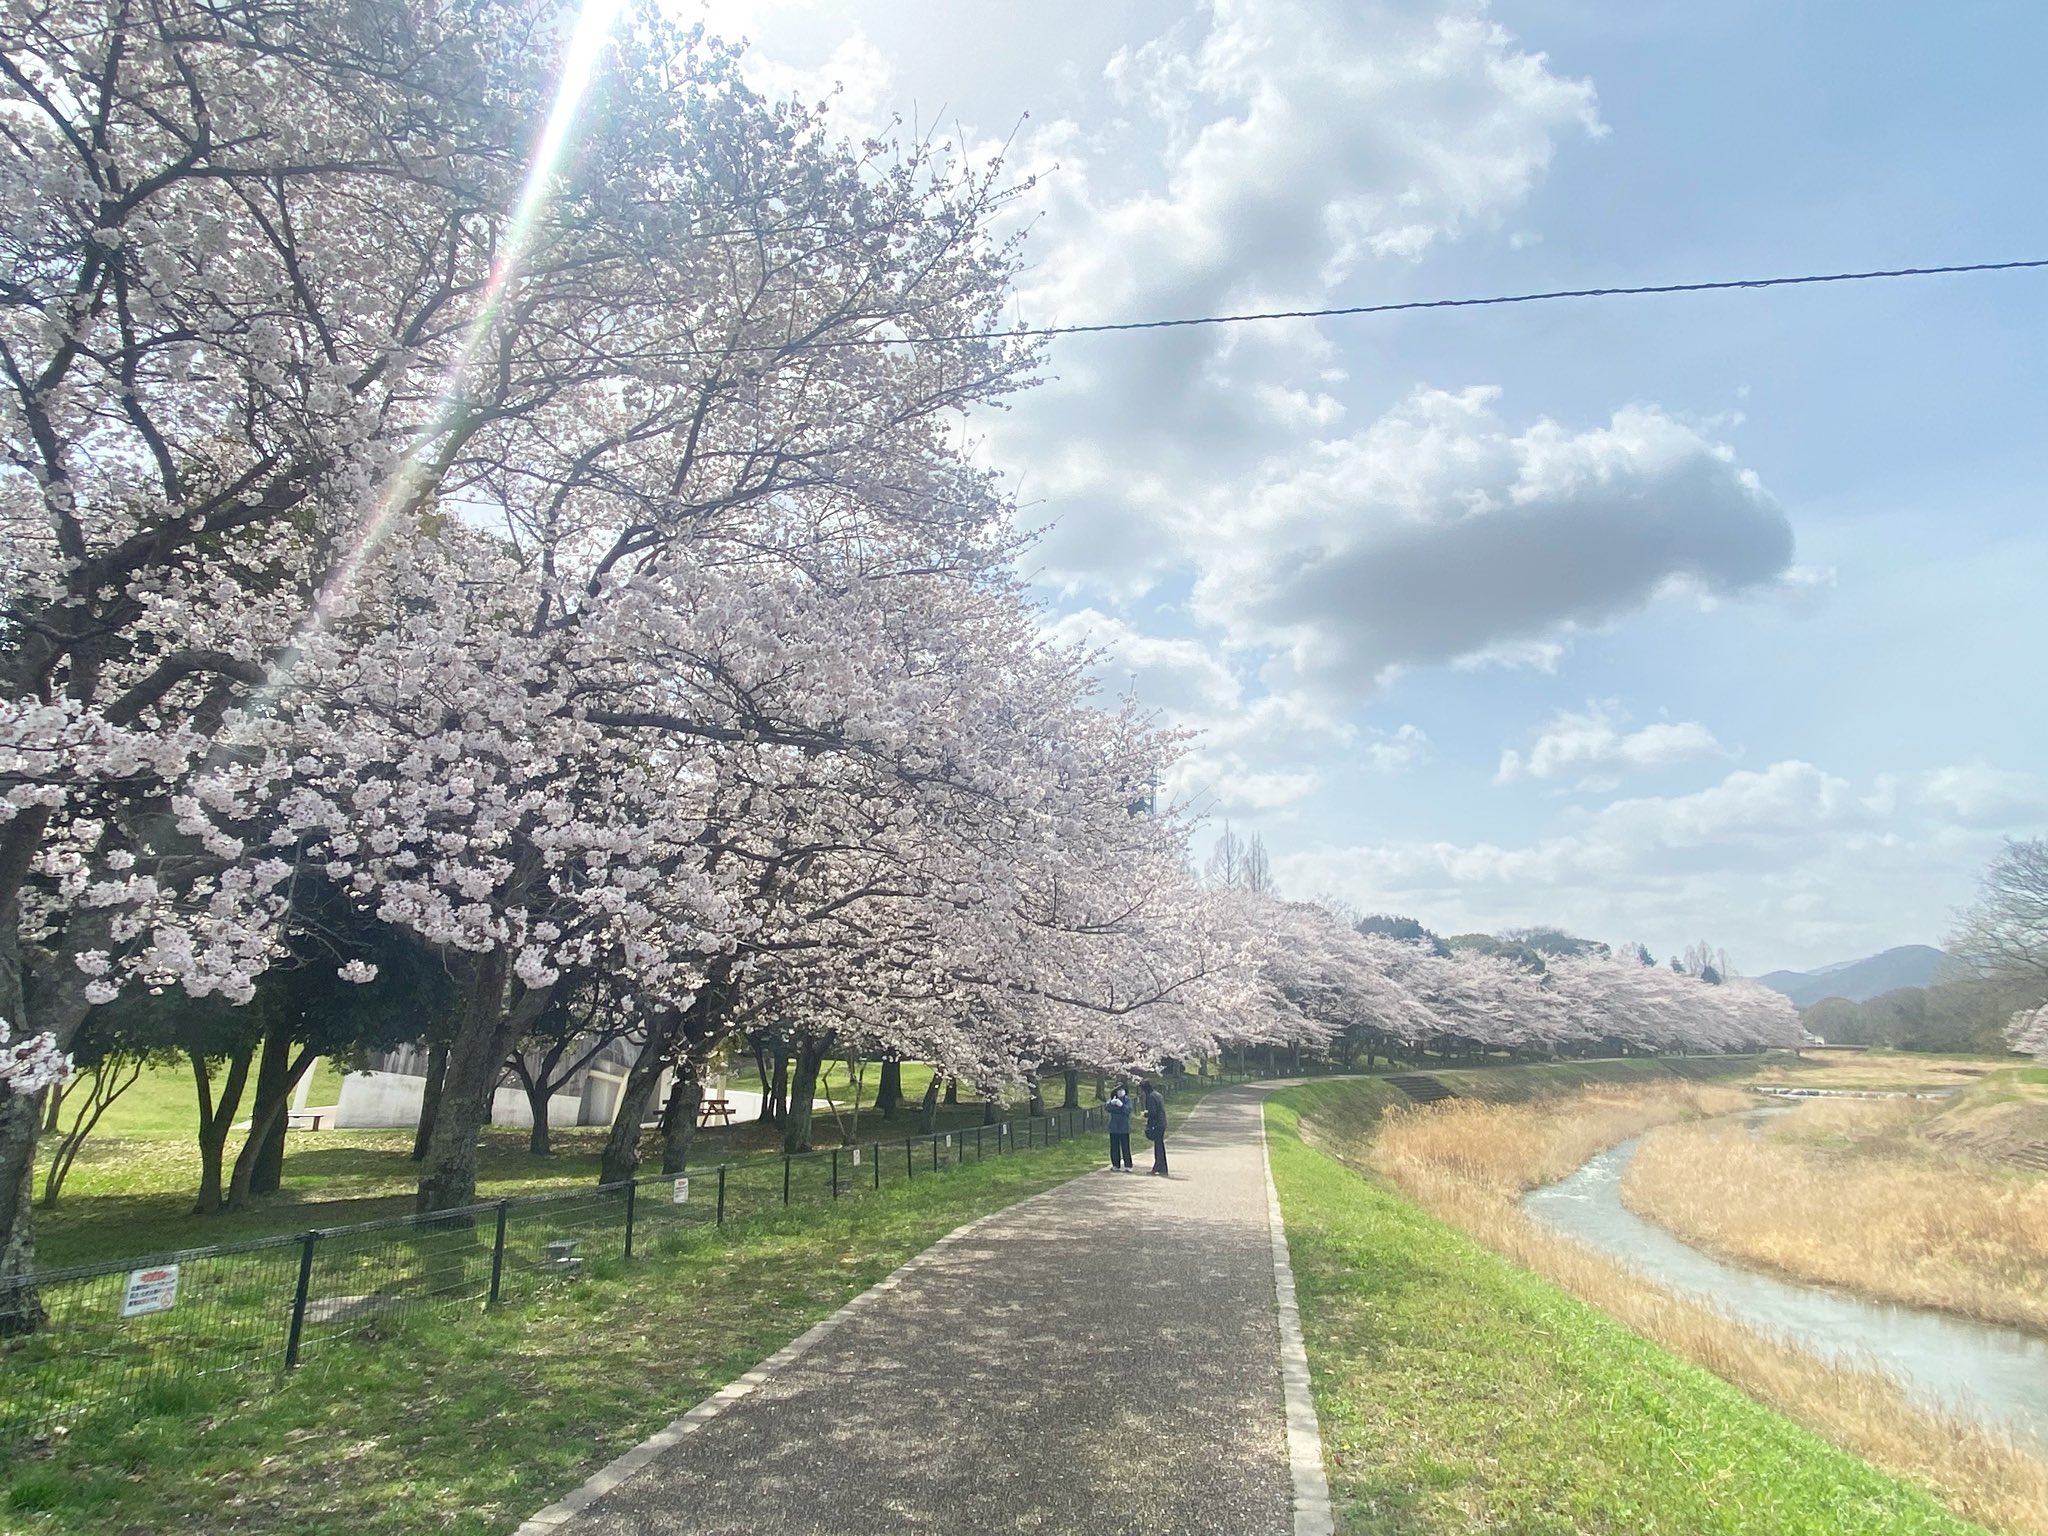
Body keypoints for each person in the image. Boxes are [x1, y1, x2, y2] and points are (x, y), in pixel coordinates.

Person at [1141, 1078, 1168, 1177]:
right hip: (1162, 1122)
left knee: (1158, 1147)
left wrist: (1145, 1114)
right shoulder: (1157, 1095)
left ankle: (1157, 1167)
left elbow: (1152, 1112)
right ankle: (1163, 1168)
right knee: (1160, 1145)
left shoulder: (1151, 1097)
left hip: (1157, 1124)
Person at [1104, 1084, 1134, 1171]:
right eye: (1119, 1090)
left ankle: (1128, 1165)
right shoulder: (1113, 1099)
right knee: (1114, 1147)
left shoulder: (1127, 1100)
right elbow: (1107, 1108)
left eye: (1122, 1090)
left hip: (1124, 1127)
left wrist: (1121, 1106)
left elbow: (1128, 1110)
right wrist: (1111, 1104)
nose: (1120, 1092)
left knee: (1126, 1147)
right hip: (1114, 1127)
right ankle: (1115, 1165)